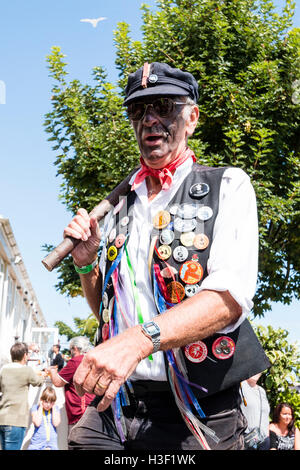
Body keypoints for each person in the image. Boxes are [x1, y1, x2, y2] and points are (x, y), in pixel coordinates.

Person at [62, 62, 270, 450]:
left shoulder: (227, 185)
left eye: (163, 106)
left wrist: (138, 341)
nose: (150, 119)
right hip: (119, 403)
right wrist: (87, 263)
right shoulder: (121, 207)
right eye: (138, 111)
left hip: (199, 409)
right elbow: (110, 314)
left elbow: (228, 300)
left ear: (191, 118)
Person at [46, 336, 95, 442]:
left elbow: (58, 382)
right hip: (91, 408)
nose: (70, 351)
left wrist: (52, 371)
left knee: (76, 442)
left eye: (71, 349)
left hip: (79, 411)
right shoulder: (92, 360)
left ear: (76, 348)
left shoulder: (77, 361)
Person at [0, 342, 45, 450]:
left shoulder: (4, 369)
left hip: (2, 418)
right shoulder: (26, 370)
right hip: (16, 420)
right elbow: (38, 382)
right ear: (25, 355)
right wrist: (43, 374)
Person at [240, 373, 270, 450]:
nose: (256, 372)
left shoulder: (261, 391)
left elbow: (265, 416)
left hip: (263, 439)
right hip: (246, 438)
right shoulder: (241, 386)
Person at [27, 386, 61, 450]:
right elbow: (37, 423)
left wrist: (53, 408)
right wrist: (40, 407)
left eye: (51, 402)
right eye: (46, 401)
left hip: (51, 444)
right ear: (41, 400)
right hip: (37, 443)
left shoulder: (55, 409)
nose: (48, 405)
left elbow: (56, 423)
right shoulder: (35, 408)